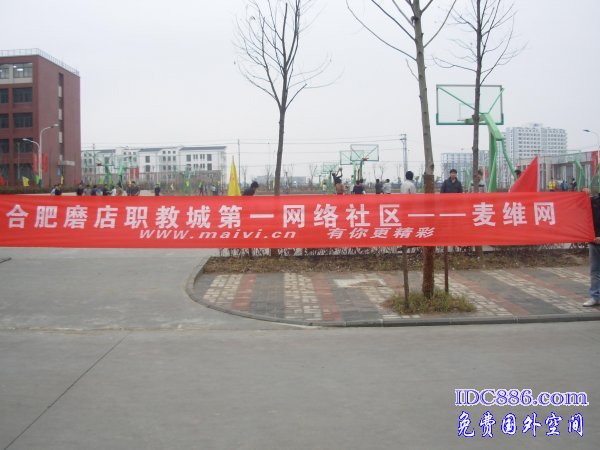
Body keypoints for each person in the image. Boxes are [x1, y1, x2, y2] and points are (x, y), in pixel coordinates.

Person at [584, 187, 600, 306]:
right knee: (595, 271)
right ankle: (595, 296)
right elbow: (578, 205)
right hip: (594, 242)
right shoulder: (594, 200)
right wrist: (583, 194)